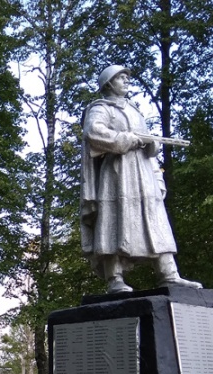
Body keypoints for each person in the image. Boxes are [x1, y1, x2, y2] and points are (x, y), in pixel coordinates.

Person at [81, 65, 201, 294]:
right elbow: (93, 132)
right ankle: (114, 278)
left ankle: (169, 274)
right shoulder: (100, 108)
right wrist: (125, 139)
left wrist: (157, 172)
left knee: (156, 221)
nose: (126, 81)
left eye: (127, 78)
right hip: (117, 172)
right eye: (121, 78)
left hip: (143, 173)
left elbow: (147, 139)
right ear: (108, 84)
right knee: (114, 222)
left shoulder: (135, 110)